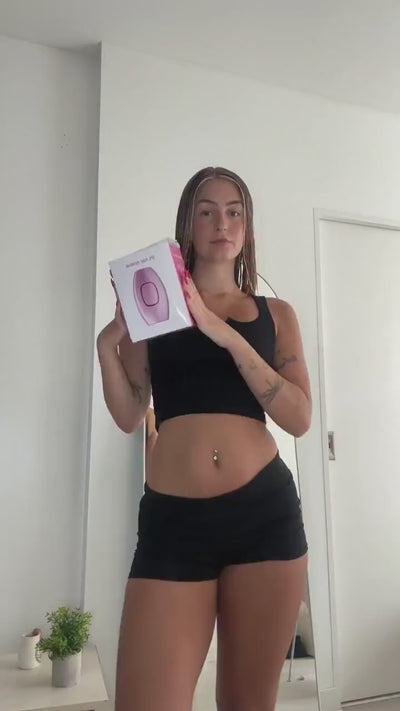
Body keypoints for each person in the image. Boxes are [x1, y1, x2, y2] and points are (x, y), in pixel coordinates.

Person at [97, 167, 311, 711]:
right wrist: (107, 347)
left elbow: (299, 418)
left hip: (264, 519)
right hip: (173, 525)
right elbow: (129, 413)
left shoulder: (276, 315)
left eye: (234, 212)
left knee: (247, 703)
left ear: (247, 227)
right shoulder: (154, 311)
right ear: (188, 225)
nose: (222, 223)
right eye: (207, 211)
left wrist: (224, 334)